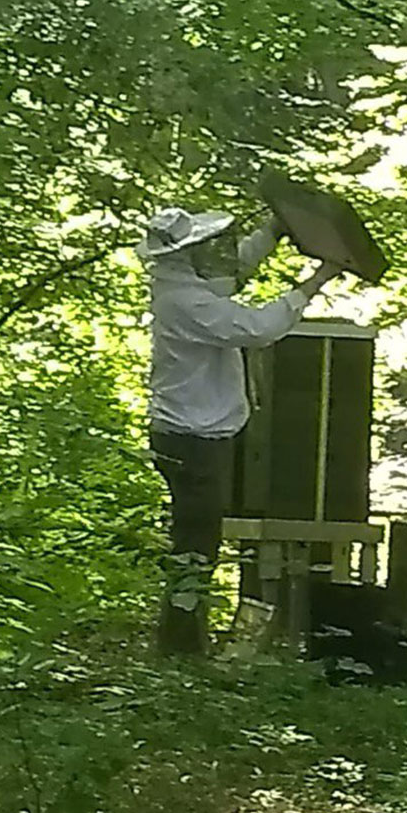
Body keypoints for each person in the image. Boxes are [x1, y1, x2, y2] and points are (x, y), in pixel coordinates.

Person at [137, 206, 342, 654]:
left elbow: (234, 273)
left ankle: (182, 642)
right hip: (192, 438)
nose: (211, 252)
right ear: (183, 252)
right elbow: (257, 327)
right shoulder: (185, 301)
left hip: (195, 433)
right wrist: (317, 279)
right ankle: (179, 648)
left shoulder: (184, 286)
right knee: (196, 548)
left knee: (196, 542)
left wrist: (273, 230)